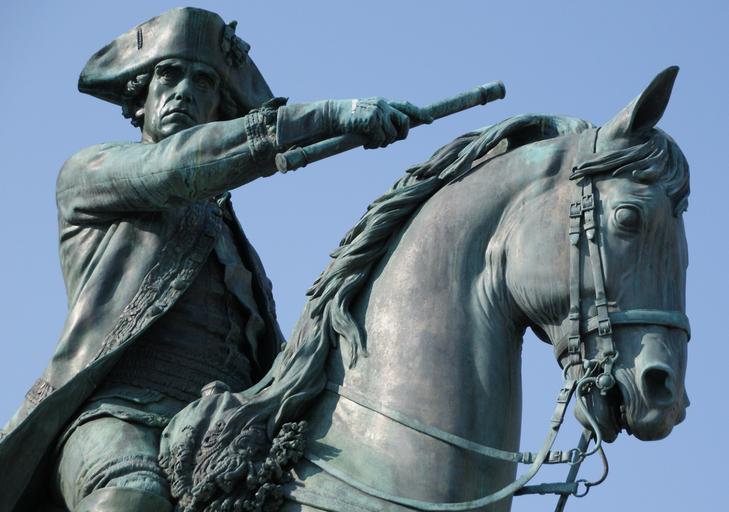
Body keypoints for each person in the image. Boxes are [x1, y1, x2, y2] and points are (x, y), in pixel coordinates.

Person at [0, 7, 430, 512]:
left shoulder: (230, 236)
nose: (183, 91)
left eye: (203, 82)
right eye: (168, 75)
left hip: (225, 429)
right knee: (134, 500)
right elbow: (176, 167)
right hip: (120, 416)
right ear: (140, 97)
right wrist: (330, 115)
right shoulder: (89, 173)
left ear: (218, 107)